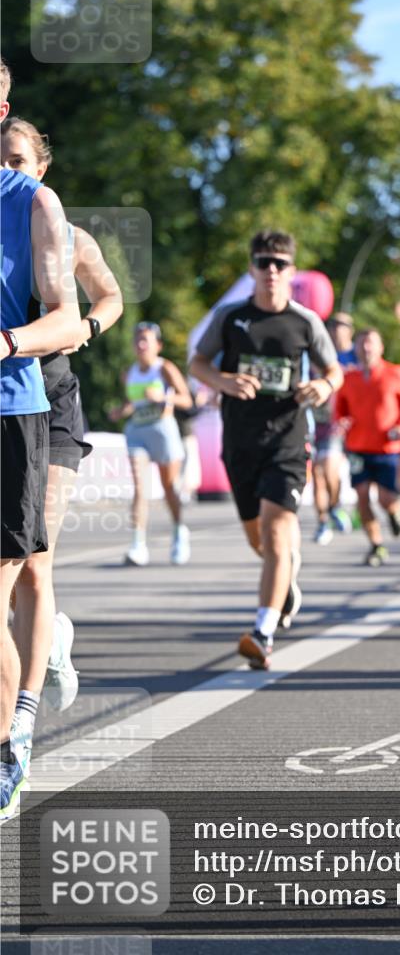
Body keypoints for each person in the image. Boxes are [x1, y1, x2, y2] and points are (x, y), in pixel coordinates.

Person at [1, 116, 124, 782]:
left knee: (36, 562)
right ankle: (46, 646)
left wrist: (87, 327)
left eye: (21, 159)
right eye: (2, 158)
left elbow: (110, 297)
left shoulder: (62, 232)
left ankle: (18, 721)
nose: (11, 169)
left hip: (51, 404)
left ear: (41, 168)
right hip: (6, 402)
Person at [190, 230, 342, 669]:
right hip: (239, 443)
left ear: (292, 272)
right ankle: (286, 581)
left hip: (288, 441)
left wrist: (324, 384)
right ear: (252, 269)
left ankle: (263, 631)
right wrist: (222, 381)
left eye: (279, 263)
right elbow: (198, 362)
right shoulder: (231, 317)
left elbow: (335, 370)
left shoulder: (305, 322)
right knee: (260, 539)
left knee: (277, 530)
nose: (271, 270)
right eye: (263, 262)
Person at [1, 68, 81, 817]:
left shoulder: (38, 208)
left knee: (21, 575)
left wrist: (7, 341)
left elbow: (77, 313)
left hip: (23, 406)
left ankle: (11, 741)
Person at [109, 322, 193, 566]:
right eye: (138, 340)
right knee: (140, 487)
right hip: (137, 431)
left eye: (146, 340)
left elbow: (187, 400)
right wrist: (121, 411)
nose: (141, 345)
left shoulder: (164, 368)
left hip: (163, 431)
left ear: (158, 345)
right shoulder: (129, 372)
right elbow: (131, 403)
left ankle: (179, 532)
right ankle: (138, 545)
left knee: (169, 488)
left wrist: (163, 397)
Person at [334, 328, 400, 566]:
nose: (366, 348)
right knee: (361, 496)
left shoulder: (396, 373)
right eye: (361, 344)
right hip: (357, 447)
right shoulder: (348, 378)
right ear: (355, 349)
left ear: (380, 347)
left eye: (370, 343)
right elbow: (339, 410)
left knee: (385, 497)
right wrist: (340, 422)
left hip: (387, 447)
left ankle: (394, 513)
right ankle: (376, 545)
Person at [310, 313, 357, 545]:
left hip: (345, 424)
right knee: (318, 474)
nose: (336, 329)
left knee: (330, 471)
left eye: (342, 326)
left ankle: (338, 505)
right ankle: (322, 521)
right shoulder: (319, 352)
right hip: (317, 422)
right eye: (332, 325)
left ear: (350, 330)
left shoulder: (356, 357)